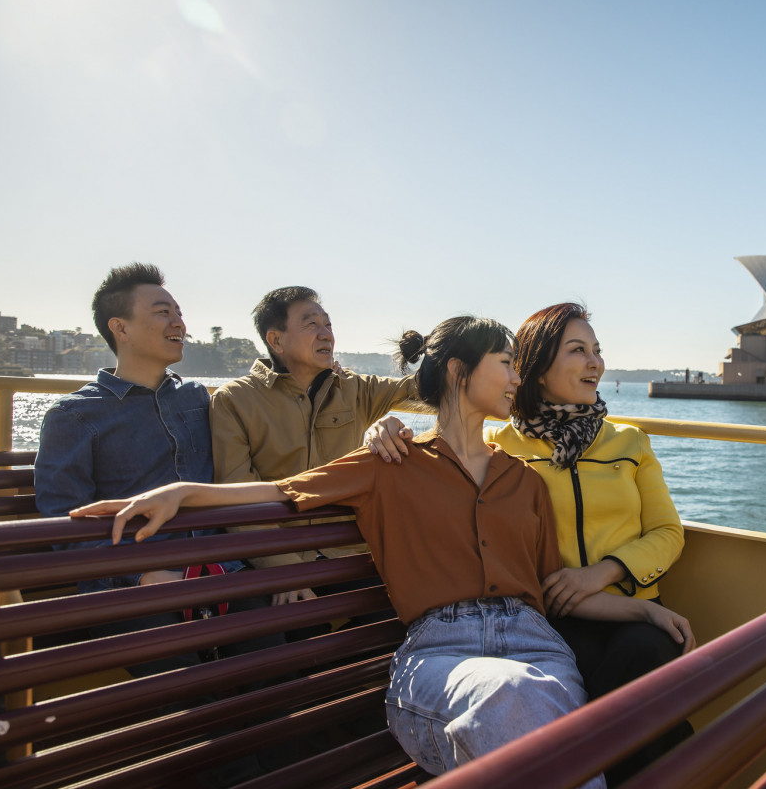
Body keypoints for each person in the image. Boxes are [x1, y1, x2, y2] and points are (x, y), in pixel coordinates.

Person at [73, 315, 693, 785]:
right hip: (441, 660)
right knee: (519, 703)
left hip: (537, 649)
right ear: (458, 372)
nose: (515, 377)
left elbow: (556, 585)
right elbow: (279, 491)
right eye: (504, 363)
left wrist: (641, 609)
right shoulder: (389, 465)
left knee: (531, 704)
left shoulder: (523, 480)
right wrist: (181, 491)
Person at [367, 303, 692, 781]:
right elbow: (442, 442)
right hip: (551, 620)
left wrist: (602, 573)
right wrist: (384, 426)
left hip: (627, 606)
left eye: (597, 351)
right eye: (578, 350)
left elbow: (667, 532)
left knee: (646, 652)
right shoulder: (502, 448)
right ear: (536, 368)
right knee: (586, 680)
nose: (595, 363)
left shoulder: (629, 441)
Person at [34, 263, 281, 674]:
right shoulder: (76, 415)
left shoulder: (198, 397)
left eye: (179, 312)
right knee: (181, 699)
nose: (178, 322)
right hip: (134, 591)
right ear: (121, 328)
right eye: (163, 311)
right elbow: (64, 519)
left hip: (220, 574)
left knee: (277, 676)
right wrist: (139, 577)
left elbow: (268, 418)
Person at [208, 286, 420, 605]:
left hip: (351, 556)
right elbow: (238, 501)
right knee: (279, 637)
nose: (326, 335)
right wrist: (286, 570)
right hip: (276, 562)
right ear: (276, 340)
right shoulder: (234, 400)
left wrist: (441, 349)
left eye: (328, 324)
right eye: (311, 325)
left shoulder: (352, 388)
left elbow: (418, 390)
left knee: (409, 614)